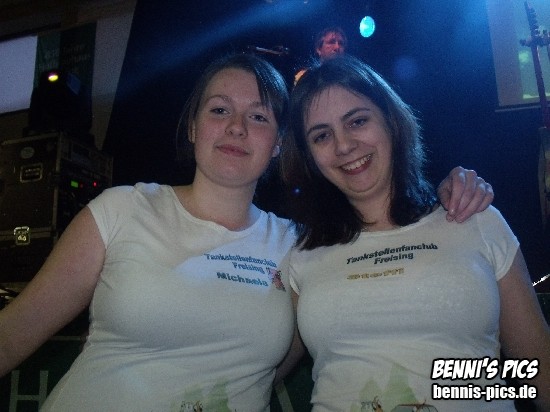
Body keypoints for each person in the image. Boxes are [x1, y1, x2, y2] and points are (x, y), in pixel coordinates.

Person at [0, 53, 492, 411]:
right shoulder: (122, 209)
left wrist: (447, 191)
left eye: (258, 116)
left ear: (279, 144)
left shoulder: (300, 244)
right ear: (193, 127)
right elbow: (11, 336)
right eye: (219, 110)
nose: (237, 127)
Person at [281, 55, 550, 411]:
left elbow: (538, 369)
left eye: (358, 121)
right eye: (321, 136)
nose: (344, 145)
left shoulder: (475, 220)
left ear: (391, 121)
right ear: (309, 156)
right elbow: (252, 367)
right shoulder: (299, 250)